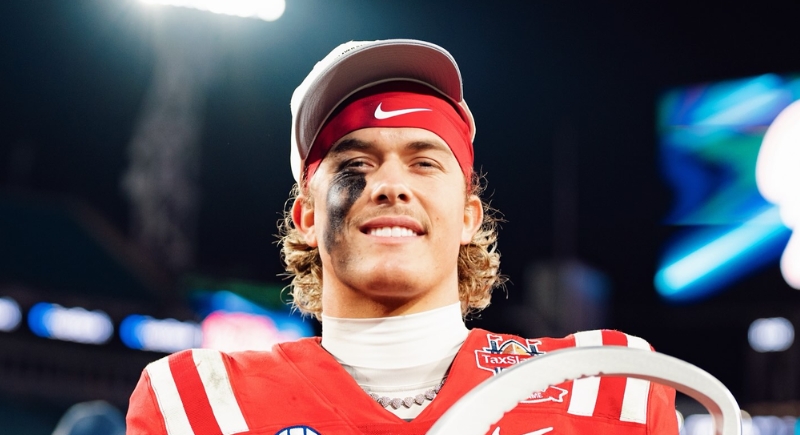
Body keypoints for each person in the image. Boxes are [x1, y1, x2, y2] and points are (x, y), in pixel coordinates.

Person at [126, 39, 678, 435]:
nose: (390, 185)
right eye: (356, 164)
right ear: (308, 218)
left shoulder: (607, 385)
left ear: (468, 217)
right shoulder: (197, 405)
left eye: (424, 162)